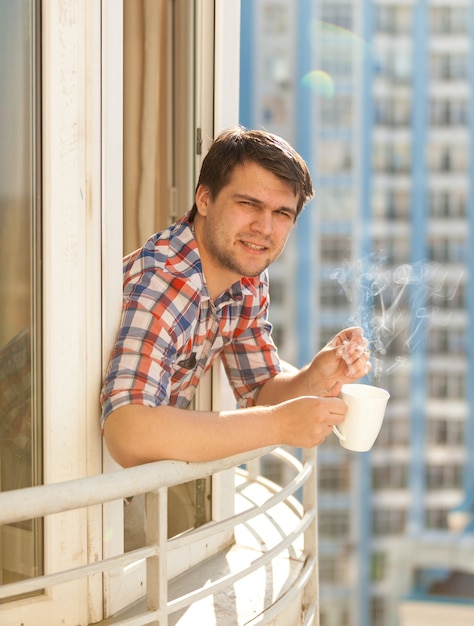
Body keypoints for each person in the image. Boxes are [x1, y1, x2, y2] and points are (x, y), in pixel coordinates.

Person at [100, 126, 370, 467]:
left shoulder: (247, 278)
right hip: (29, 461)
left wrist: (317, 376)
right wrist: (279, 425)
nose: (264, 228)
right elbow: (129, 432)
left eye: (282, 213)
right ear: (205, 199)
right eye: (248, 204)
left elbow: (259, 390)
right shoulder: (167, 282)